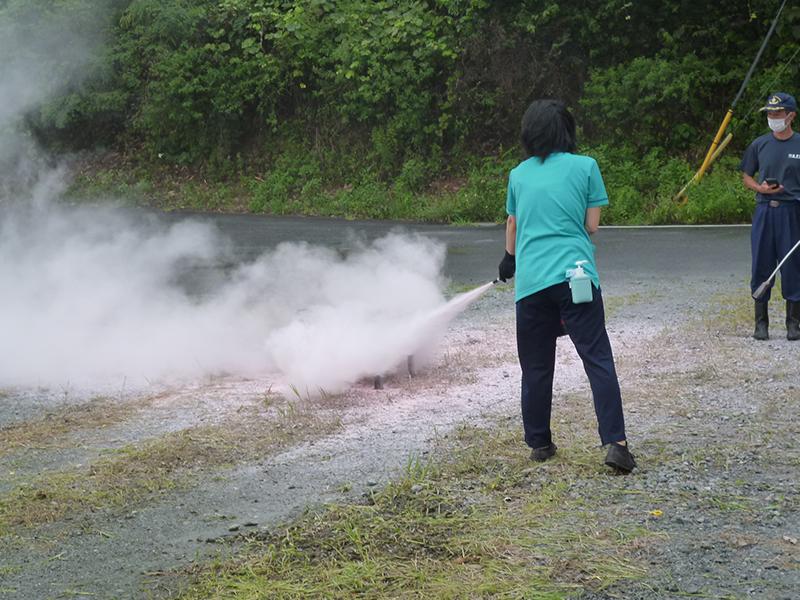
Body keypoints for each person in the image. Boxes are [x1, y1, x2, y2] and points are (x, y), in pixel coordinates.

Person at [497, 99, 635, 473]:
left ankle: (539, 443)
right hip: (576, 277)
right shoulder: (586, 167)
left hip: (532, 282)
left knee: (537, 365)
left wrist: (509, 260)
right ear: (566, 131)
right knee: (597, 358)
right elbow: (591, 226)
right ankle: (616, 444)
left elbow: (512, 223)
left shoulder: (518, 175)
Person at [740, 92, 800, 341]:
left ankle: (793, 324)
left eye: (777, 113)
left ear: (791, 116)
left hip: (792, 212)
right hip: (765, 210)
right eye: (770, 114)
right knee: (762, 264)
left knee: (793, 266)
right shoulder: (759, 144)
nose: (773, 118)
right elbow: (746, 176)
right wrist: (760, 188)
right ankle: (761, 323)